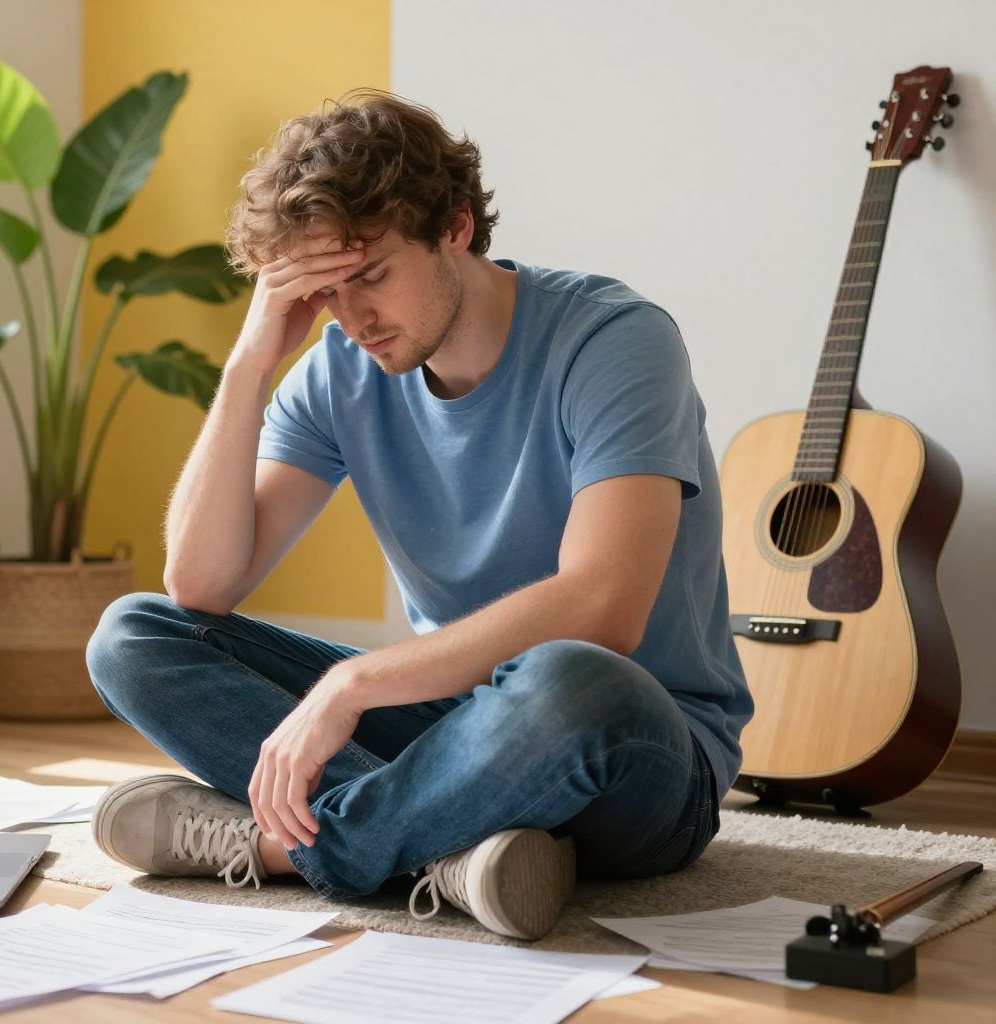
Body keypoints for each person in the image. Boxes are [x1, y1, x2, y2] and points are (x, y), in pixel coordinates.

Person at [84, 89, 752, 940]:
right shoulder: (338, 368)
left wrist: (355, 684)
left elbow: (601, 610)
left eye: (370, 275)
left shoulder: (615, 341)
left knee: (568, 675)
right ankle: (452, 851)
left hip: (633, 747)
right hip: (458, 729)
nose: (354, 317)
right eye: (325, 292)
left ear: (456, 227)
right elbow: (202, 583)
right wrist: (251, 363)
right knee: (133, 634)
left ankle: (300, 848)